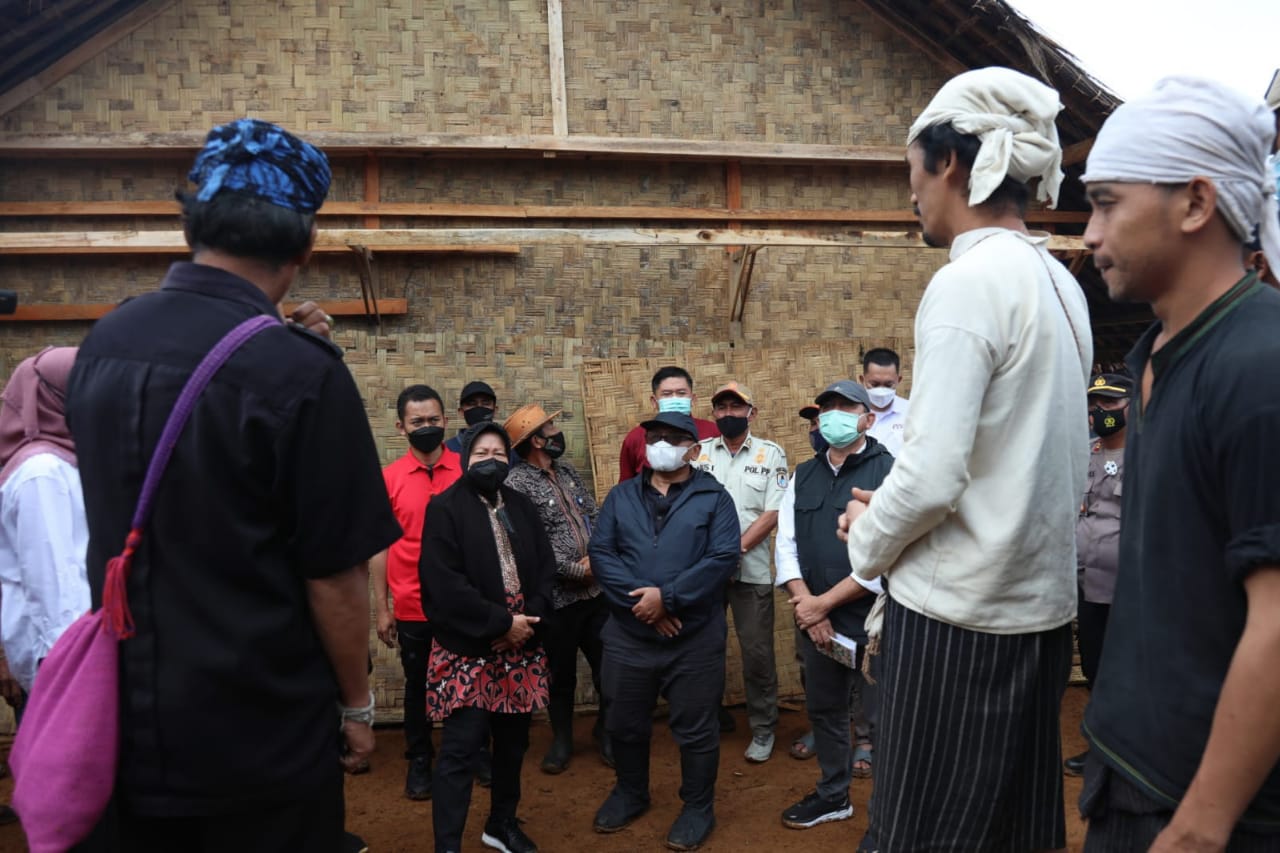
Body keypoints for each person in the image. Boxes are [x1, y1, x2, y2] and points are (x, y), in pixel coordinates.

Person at [66, 118, 402, 852]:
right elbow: (335, 577)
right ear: (305, 245)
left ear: (193, 223)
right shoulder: (304, 373)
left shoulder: (104, 343)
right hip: (258, 741)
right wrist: (357, 703)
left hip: (120, 726)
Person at [839, 68, 1092, 852]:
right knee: (1016, 830)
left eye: (911, 170)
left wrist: (867, 536)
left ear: (950, 164)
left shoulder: (966, 282)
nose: (910, 192)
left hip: (956, 622)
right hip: (1040, 616)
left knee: (916, 833)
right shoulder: (1060, 282)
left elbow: (933, 473)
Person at [1077, 76, 1280, 850]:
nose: (1089, 234)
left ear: (1194, 204)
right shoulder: (1151, 358)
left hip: (1211, 814)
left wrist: (1199, 824)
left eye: (1106, 203)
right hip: (1133, 774)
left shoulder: (1259, 365)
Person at [590, 411, 741, 851]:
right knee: (624, 722)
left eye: (672, 438)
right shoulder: (621, 497)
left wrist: (668, 599)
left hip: (693, 639)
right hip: (628, 636)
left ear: (694, 449)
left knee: (697, 729)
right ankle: (630, 792)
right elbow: (602, 553)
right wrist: (647, 605)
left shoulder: (715, 498)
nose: (660, 443)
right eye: (653, 436)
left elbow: (722, 559)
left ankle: (697, 807)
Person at [419, 421, 555, 853]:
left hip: (522, 648)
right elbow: (443, 584)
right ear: (465, 459)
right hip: (469, 650)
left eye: (499, 454)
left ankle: (501, 823)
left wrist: (526, 625)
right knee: (460, 750)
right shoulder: (444, 508)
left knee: (513, 744)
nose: (490, 461)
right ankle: (447, 845)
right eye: (481, 454)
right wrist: (500, 624)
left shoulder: (522, 505)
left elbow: (546, 570)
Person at [777, 380, 894, 828]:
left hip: (874, 622)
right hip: (818, 624)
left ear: (867, 418)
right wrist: (806, 605)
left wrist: (822, 603)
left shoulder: (891, 472)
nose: (833, 415)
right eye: (827, 408)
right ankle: (833, 795)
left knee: (884, 720)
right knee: (824, 709)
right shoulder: (802, 475)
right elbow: (785, 544)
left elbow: (888, 560)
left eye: (846, 407)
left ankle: (891, 810)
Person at [0, 347, 88, 831]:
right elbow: (56, 591)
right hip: (64, 667)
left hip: (63, 662)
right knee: (73, 803)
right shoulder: (42, 472)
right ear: (53, 398)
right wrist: (80, 684)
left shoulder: (60, 461)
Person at [502, 403, 609, 774]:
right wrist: (576, 572)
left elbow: (593, 515)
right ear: (536, 440)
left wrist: (598, 561)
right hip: (559, 599)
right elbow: (529, 548)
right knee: (560, 674)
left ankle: (605, 731)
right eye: (550, 427)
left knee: (607, 667)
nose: (557, 432)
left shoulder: (568, 473)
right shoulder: (515, 485)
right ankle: (562, 739)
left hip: (597, 595)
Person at [370, 384, 463, 800]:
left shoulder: (467, 470)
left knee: (469, 679)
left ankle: (470, 753)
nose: (427, 427)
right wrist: (382, 607)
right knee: (418, 686)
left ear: (446, 421)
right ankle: (420, 760)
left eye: (433, 420)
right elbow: (379, 546)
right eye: (417, 422)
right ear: (400, 427)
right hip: (411, 603)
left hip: (465, 601)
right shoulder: (388, 479)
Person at [692, 381, 786, 763]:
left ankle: (763, 728)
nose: (728, 413)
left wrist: (733, 551)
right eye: (721, 407)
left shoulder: (770, 454)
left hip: (752, 572)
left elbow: (773, 513)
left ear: (752, 412)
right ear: (713, 413)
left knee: (758, 654)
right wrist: (714, 560)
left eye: (736, 407)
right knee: (702, 649)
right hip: (704, 574)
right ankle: (704, 722)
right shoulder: (699, 454)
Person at [1062, 373, 1131, 778]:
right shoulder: (1085, 455)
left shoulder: (1148, 454)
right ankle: (1103, 752)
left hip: (1128, 588)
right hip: (1087, 584)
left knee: (1128, 672)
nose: (1101, 413)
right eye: (1096, 405)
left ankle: (1130, 756)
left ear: (1130, 407)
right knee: (1095, 668)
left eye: (1110, 405)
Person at [618, 367, 719, 483]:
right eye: (667, 394)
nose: (674, 398)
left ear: (693, 399)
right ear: (654, 402)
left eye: (681, 393)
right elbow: (626, 486)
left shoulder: (713, 432)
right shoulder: (636, 437)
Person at [858, 348, 909, 457]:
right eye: (874, 384)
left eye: (888, 385)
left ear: (898, 380)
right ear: (862, 380)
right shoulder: (853, 415)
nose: (881, 390)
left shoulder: (913, 412)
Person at [444, 381, 501, 454]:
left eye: (486, 403)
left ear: (495, 410)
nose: (479, 408)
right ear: (461, 412)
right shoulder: (448, 449)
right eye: (471, 404)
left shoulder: (507, 448)